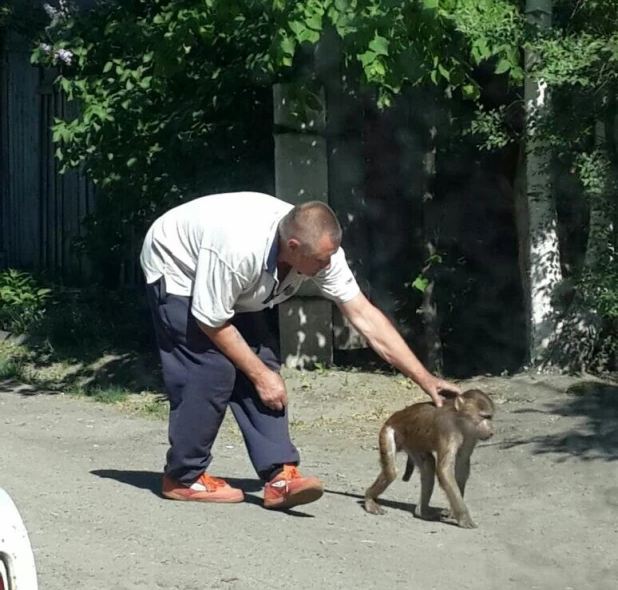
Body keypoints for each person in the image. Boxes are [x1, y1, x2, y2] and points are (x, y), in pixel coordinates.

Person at [140, 191, 461, 510]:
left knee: (262, 362)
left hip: (233, 278)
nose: (328, 265)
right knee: (212, 368)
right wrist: (259, 375)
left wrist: (426, 379)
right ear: (293, 247)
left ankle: (279, 476)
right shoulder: (238, 249)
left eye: (331, 256)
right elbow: (211, 321)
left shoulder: (322, 250)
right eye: (321, 260)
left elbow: (364, 316)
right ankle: (184, 477)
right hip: (179, 262)